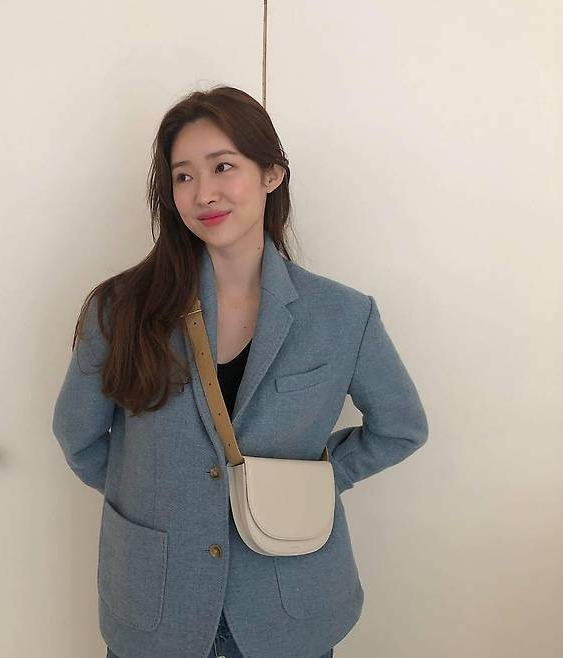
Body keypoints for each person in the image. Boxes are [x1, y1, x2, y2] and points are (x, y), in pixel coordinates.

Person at [52, 85, 428, 658]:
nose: (203, 192)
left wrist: (319, 479)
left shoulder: (342, 314)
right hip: (157, 604)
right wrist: (159, 490)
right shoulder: (121, 307)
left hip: (290, 604)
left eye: (223, 166)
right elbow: (77, 436)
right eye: (183, 176)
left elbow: (401, 427)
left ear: (271, 174)